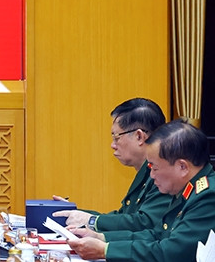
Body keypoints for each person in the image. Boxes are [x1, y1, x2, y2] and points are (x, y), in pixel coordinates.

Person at [68, 119, 215, 261]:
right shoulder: (189, 189)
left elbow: (171, 252)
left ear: (182, 167)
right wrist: (102, 238)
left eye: (155, 168)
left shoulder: (208, 196)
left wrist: (106, 250)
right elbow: (157, 235)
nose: (152, 175)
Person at [53, 98, 171, 232]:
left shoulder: (163, 174)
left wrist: (92, 221)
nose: (113, 145)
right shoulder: (146, 172)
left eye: (116, 137)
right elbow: (123, 217)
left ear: (139, 136)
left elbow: (143, 223)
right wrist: (74, 213)